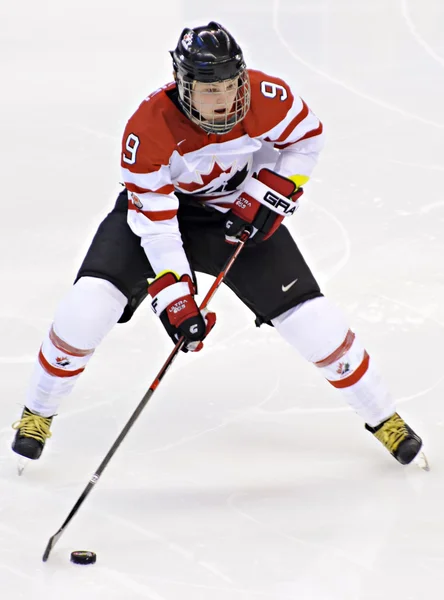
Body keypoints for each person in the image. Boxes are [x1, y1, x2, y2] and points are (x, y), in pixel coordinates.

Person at [12, 21, 424, 468]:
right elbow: (156, 226)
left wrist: (273, 190)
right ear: (183, 86)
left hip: (236, 215)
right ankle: (39, 411)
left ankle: (384, 418)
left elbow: (307, 140)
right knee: (87, 307)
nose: (224, 100)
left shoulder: (269, 100)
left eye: (231, 85)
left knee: (317, 324)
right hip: (160, 219)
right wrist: (177, 297)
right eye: (210, 90)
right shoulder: (148, 128)